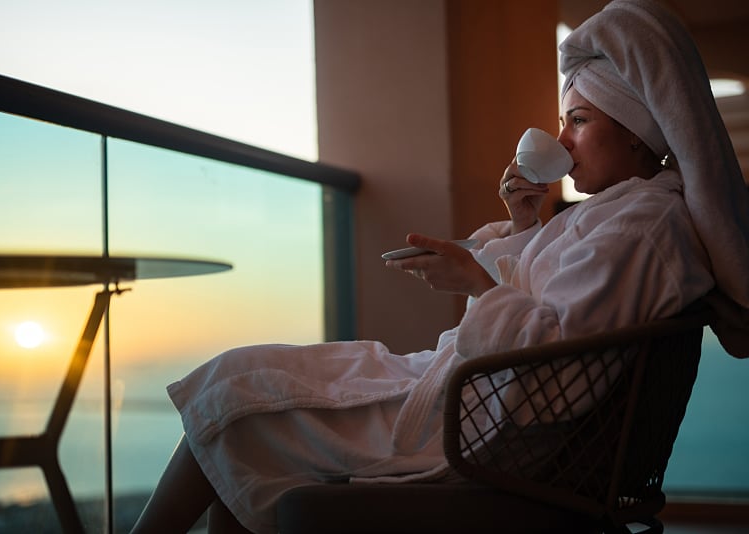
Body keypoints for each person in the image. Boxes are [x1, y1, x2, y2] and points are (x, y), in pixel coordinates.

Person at [131, 1, 749, 532]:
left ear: (639, 131)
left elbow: (558, 364)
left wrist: (474, 280)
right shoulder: (627, 215)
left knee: (239, 391)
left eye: (579, 122)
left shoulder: (642, 228)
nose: (562, 140)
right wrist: (525, 225)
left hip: (477, 433)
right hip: (476, 405)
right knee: (241, 389)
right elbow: (560, 313)